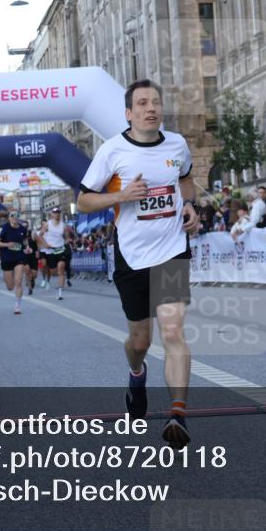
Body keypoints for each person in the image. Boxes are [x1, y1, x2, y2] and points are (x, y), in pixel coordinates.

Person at [76, 78, 199, 449]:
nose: (151, 108)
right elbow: (83, 201)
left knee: (173, 332)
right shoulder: (112, 151)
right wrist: (122, 195)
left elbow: (186, 178)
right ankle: (136, 373)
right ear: (129, 113)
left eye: (156, 102)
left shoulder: (177, 144)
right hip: (131, 255)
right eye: (143, 103)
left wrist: (190, 204)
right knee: (140, 340)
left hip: (172, 249)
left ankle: (177, 416)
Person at [0, 210, 31, 314]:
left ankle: (17, 306)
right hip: (7, 258)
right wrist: (7, 245)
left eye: (17, 216)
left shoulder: (23, 229)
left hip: (19, 257)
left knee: (19, 281)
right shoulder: (3, 228)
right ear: (9, 218)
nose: (15, 217)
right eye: (12, 216)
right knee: (10, 286)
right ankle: (11, 284)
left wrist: (27, 247)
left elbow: (25, 240)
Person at [39, 207, 69, 300]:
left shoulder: (63, 225)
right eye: (55, 213)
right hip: (50, 250)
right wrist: (45, 244)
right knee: (53, 271)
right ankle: (48, 278)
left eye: (58, 213)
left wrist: (65, 243)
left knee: (61, 268)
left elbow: (67, 238)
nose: (57, 214)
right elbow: (40, 235)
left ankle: (60, 293)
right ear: (52, 214)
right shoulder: (48, 224)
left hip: (60, 249)